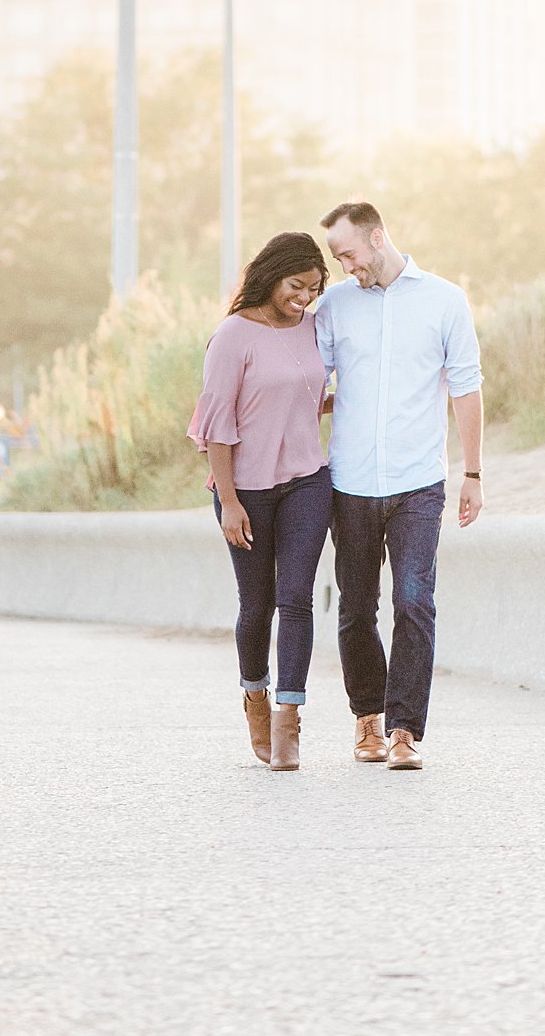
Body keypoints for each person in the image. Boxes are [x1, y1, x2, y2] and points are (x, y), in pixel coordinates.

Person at [315, 201, 484, 772]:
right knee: (356, 608)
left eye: (348, 254)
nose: (345, 268)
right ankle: (367, 718)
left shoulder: (444, 300)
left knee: (415, 603)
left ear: (378, 237)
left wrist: (474, 474)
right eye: (338, 259)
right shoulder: (335, 306)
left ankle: (405, 729)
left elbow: (466, 388)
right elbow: (312, 386)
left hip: (419, 483)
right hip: (352, 482)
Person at [189, 232, 333, 772]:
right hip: (245, 488)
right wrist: (228, 501)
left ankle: (288, 720)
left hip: (307, 481)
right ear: (271, 275)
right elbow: (218, 425)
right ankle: (255, 697)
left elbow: (308, 395)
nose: (304, 298)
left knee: (296, 597)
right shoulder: (233, 335)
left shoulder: (312, 328)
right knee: (259, 604)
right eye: (297, 286)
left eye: (314, 289)